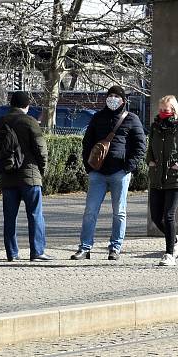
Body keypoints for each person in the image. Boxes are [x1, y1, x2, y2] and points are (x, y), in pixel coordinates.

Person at [72, 86, 146, 261]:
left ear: (123, 100)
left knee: (119, 212)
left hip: (119, 173)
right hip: (97, 173)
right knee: (90, 211)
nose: (112, 99)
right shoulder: (98, 117)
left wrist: (128, 167)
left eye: (116, 96)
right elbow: (87, 143)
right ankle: (84, 248)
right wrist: (89, 167)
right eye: (110, 96)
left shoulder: (132, 119)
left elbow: (140, 147)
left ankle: (115, 248)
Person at [0, 91, 52, 261]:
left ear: (11, 104)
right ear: (27, 105)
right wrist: (41, 170)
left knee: (9, 217)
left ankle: (12, 253)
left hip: (7, 177)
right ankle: (37, 252)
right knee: (35, 214)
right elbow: (41, 149)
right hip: (30, 175)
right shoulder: (29, 121)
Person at [146, 95, 178, 267]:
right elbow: (150, 148)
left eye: (165, 110)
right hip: (157, 177)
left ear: (173, 110)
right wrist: (150, 161)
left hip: (175, 178)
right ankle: (175, 238)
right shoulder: (155, 126)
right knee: (156, 216)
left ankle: (169, 254)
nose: (162, 113)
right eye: (160, 110)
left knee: (168, 215)